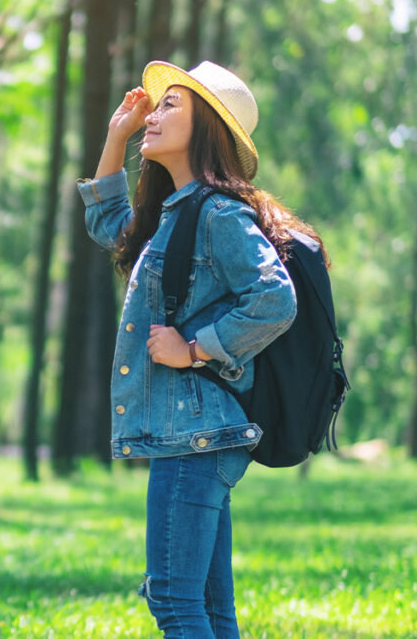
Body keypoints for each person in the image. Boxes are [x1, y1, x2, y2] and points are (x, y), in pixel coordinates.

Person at [77, 60, 324, 638]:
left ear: (207, 125)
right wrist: (116, 136)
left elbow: (274, 298)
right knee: (208, 610)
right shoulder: (176, 214)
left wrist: (193, 349)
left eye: (171, 106)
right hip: (198, 434)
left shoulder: (216, 213)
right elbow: (111, 225)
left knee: (173, 600)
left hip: (196, 434)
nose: (152, 116)